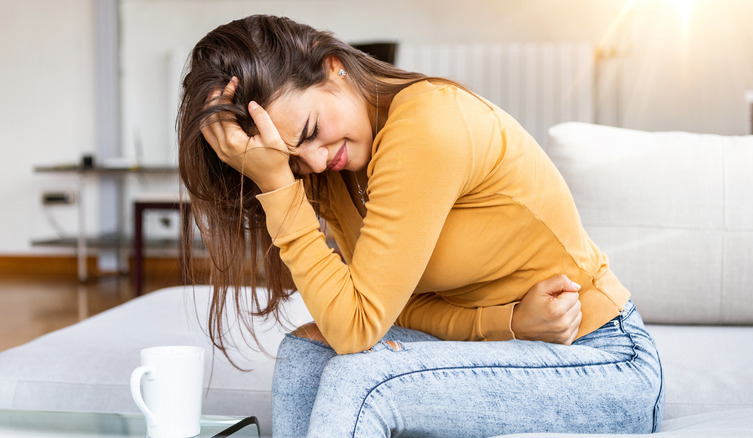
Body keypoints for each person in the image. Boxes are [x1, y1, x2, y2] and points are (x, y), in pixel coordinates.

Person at [177, 14, 664, 437]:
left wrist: (277, 186)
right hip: (521, 342)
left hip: (600, 358)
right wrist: (507, 324)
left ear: (333, 67)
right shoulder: (338, 170)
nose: (317, 161)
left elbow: (357, 328)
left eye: (309, 132)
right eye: (290, 161)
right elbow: (393, 310)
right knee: (304, 357)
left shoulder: (426, 124)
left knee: (361, 380)